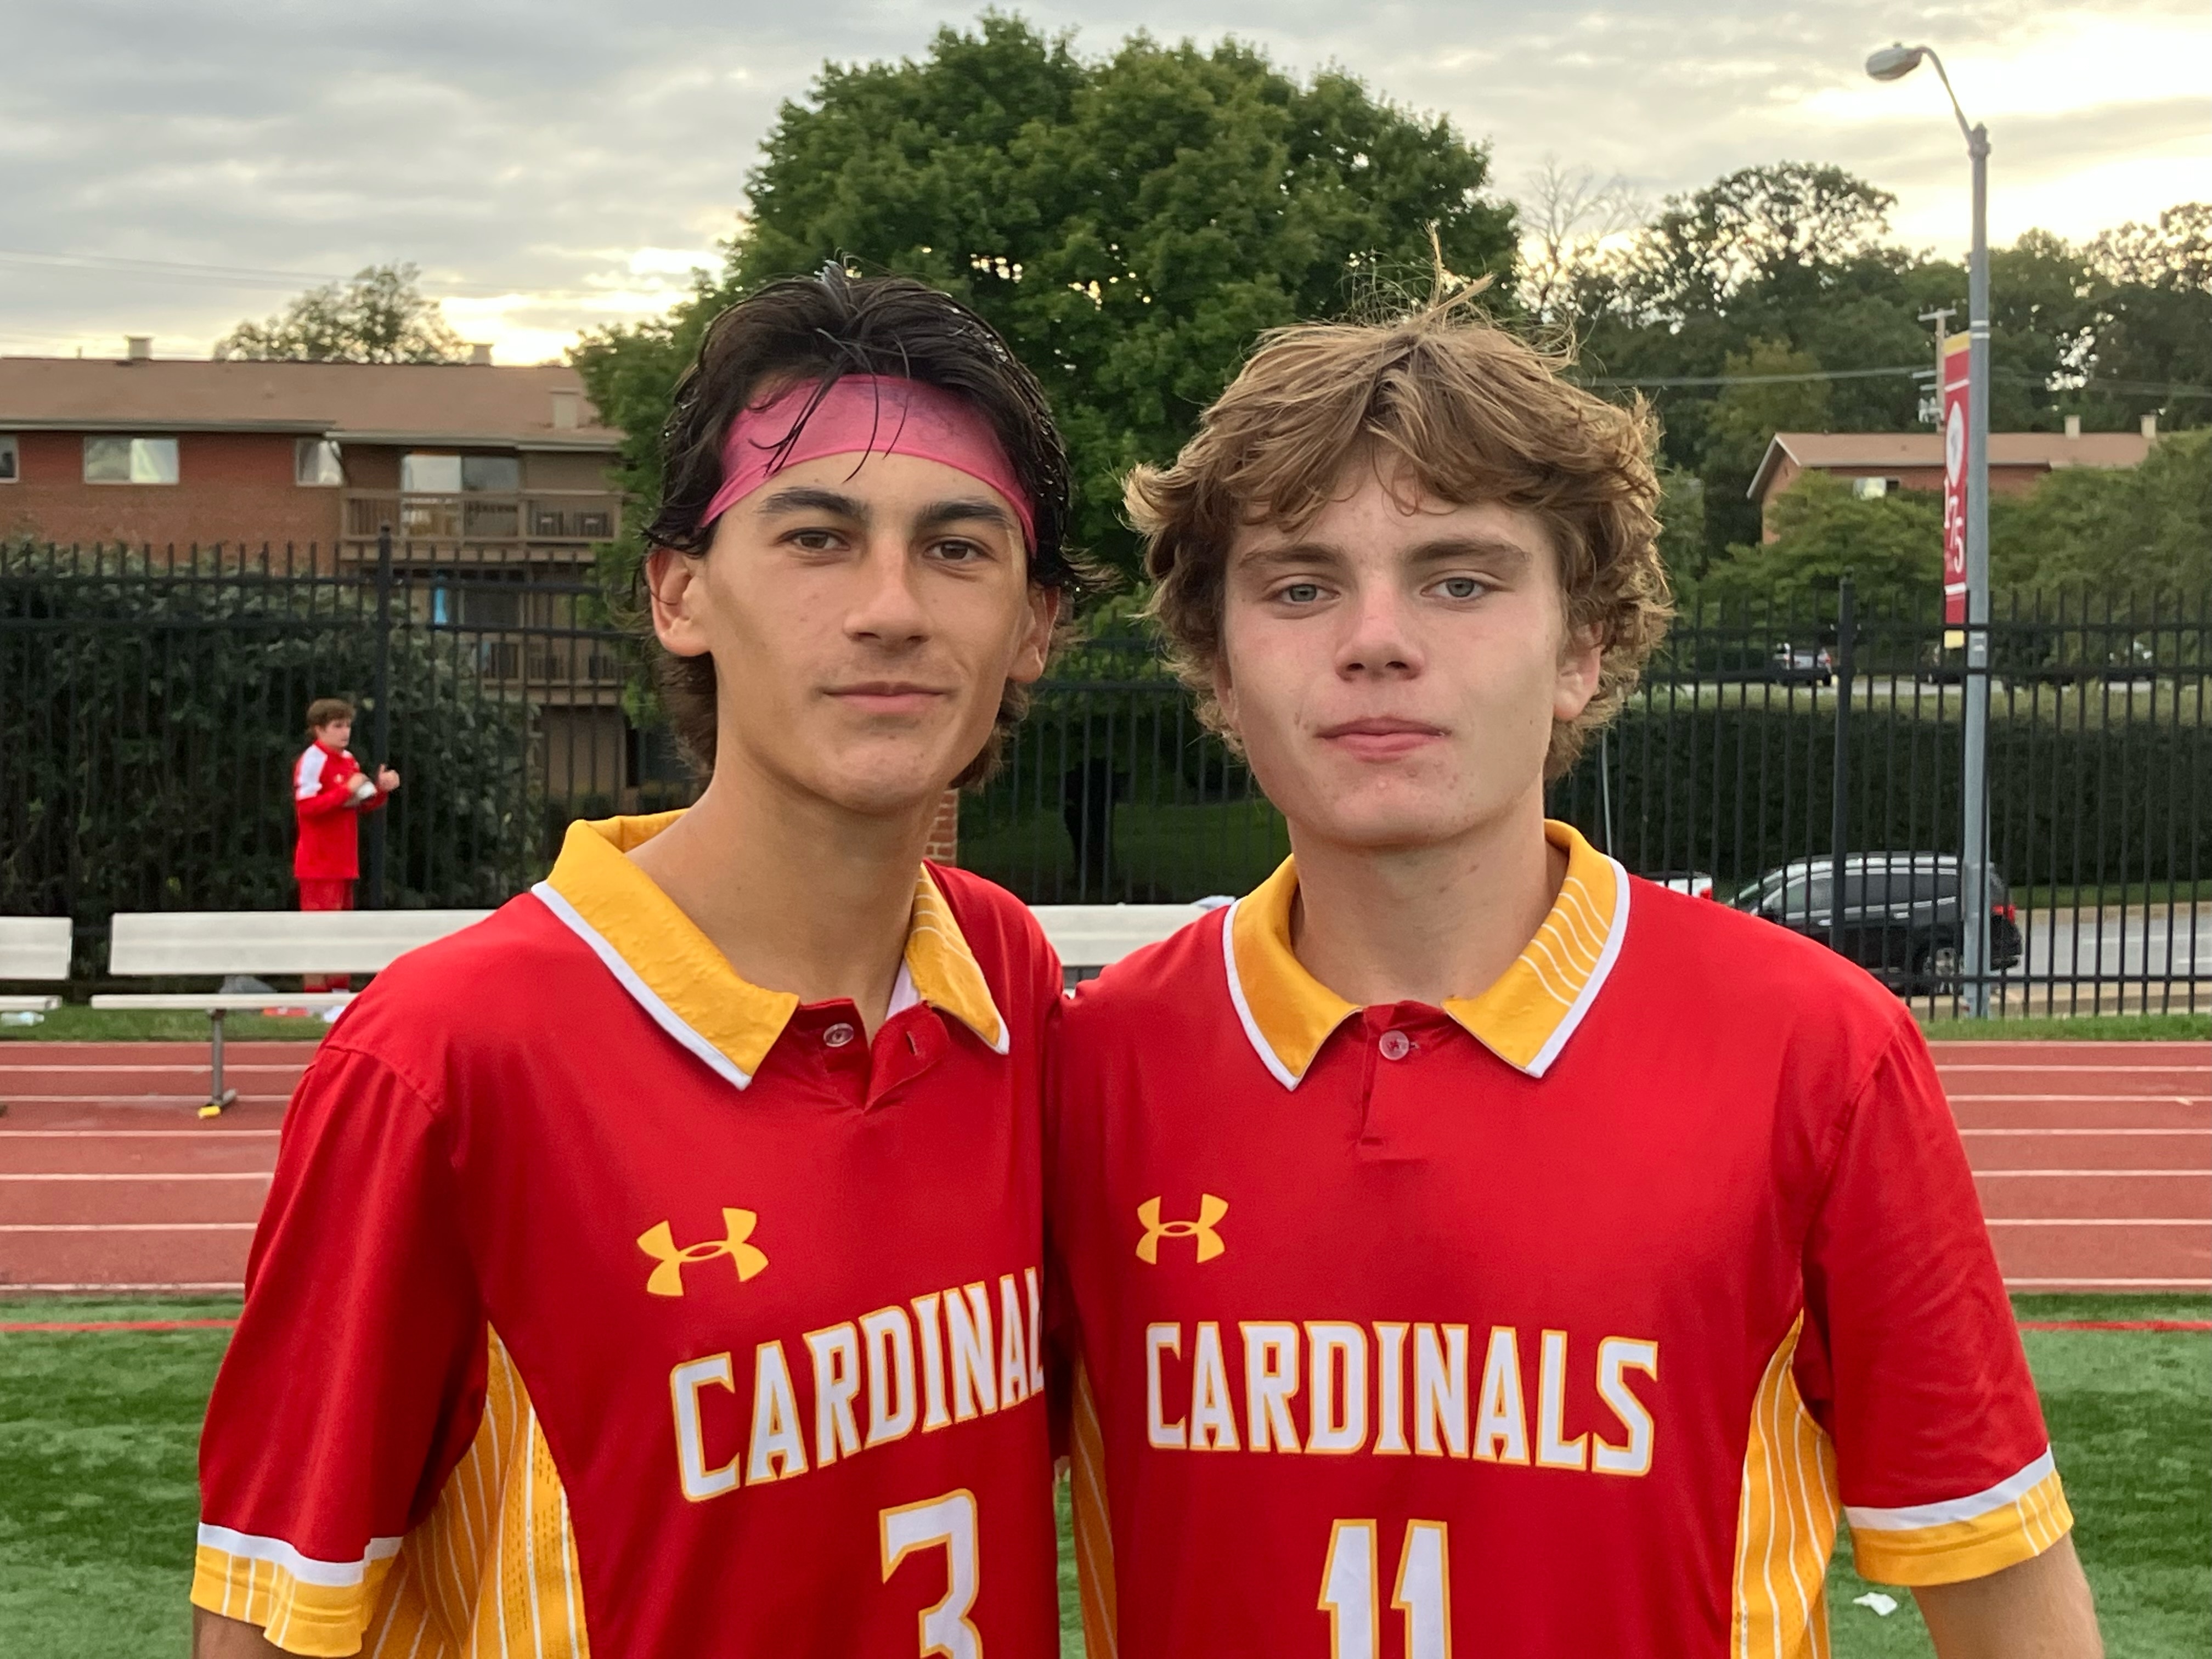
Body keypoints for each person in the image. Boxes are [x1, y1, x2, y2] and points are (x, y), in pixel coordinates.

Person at [1047, 296, 2102, 1657]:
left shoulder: (1816, 1047)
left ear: (1584, 647)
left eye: (1462, 579)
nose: (1378, 638)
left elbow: (2003, 1593)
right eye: (1301, 586)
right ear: (1218, 661)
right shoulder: (1093, 1064)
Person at [193, 270, 1086, 1657]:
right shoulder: (441, 1058)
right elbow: (271, 1622)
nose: (893, 608)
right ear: (680, 593)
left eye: (960, 548)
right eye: (816, 538)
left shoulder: (1003, 974)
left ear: (1033, 627)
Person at [291, 697, 398, 991]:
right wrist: (344, 791)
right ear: (319, 730)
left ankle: (339, 991)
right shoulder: (314, 759)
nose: (345, 732)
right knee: (318, 932)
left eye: (348, 725)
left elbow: (358, 804)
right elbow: (307, 806)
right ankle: (315, 994)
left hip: (343, 861)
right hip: (318, 862)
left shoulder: (349, 760)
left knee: (342, 930)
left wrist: (380, 790)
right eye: (337, 726)